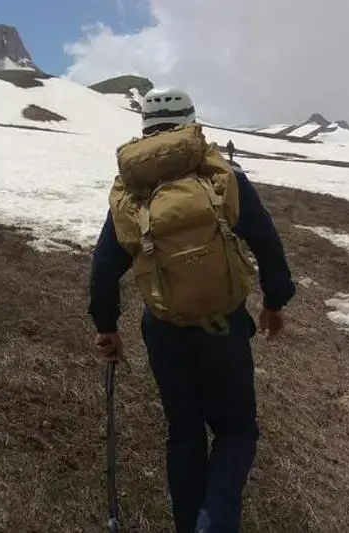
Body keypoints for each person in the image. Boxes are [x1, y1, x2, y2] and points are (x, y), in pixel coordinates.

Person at [88, 87, 296, 533]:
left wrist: (107, 327)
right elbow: (267, 244)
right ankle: (214, 523)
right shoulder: (223, 174)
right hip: (224, 327)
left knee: (184, 434)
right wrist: (275, 302)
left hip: (164, 330)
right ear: (191, 122)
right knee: (236, 431)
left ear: (144, 127)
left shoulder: (130, 189)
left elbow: (104, 267)